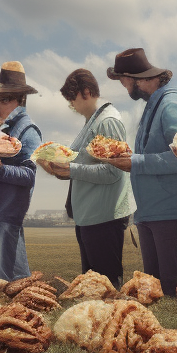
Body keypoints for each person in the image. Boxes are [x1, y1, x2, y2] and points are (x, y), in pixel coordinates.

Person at [104, 48, 177, 295]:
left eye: (122, 79)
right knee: (153, 289)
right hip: (151, 211)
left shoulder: (171, 106)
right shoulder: (154, 105)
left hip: (169, 210)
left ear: (137, 78)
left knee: (170, 288)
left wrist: (136, 162)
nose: (122, 85)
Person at [50, 68, 134, 286]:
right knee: (93, 287)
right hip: (91, 216)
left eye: (73, 100)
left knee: (106, 288)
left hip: (103, 218)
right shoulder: (93, 119)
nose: (73, 107)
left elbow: (114, 171)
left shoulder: (107, 122)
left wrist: (72, 170)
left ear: (86, 92)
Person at [0, 62, 42, 280]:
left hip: (8, 213)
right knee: (3, 281)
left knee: (7, 284)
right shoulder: (5, 129)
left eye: (5, 99)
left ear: (20, 100)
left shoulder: (28, 131)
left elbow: (29, 176)